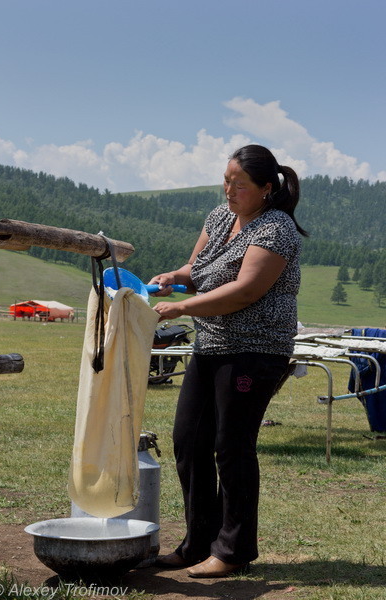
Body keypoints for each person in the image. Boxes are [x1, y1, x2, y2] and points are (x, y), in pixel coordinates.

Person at [149, 144, 307, 578]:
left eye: (239, 184)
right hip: (212, 345)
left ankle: (233, 551)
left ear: (266, 189)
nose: (229, 190)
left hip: (256, 351)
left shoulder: (276, 230)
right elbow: (196, 267)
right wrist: (174, 278)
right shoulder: (220, 218)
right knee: (188, 441)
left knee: (231, 446)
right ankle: (198, 541)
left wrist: (184, 308)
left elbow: (246, 291)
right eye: (226, 181)